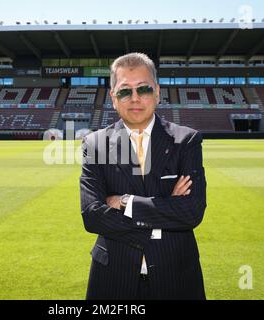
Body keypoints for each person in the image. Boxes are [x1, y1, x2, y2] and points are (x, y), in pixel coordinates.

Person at [80, 52, 207, 300]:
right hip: (112, 279)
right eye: (125, 91)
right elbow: (92, 215)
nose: (135, 98)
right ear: (113, 98)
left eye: (144, 89)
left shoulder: (186, 140)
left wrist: (125, 202)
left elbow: (191, 211)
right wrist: (164, 216)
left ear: (157, 92)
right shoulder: (95, 144)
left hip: (177, 278)